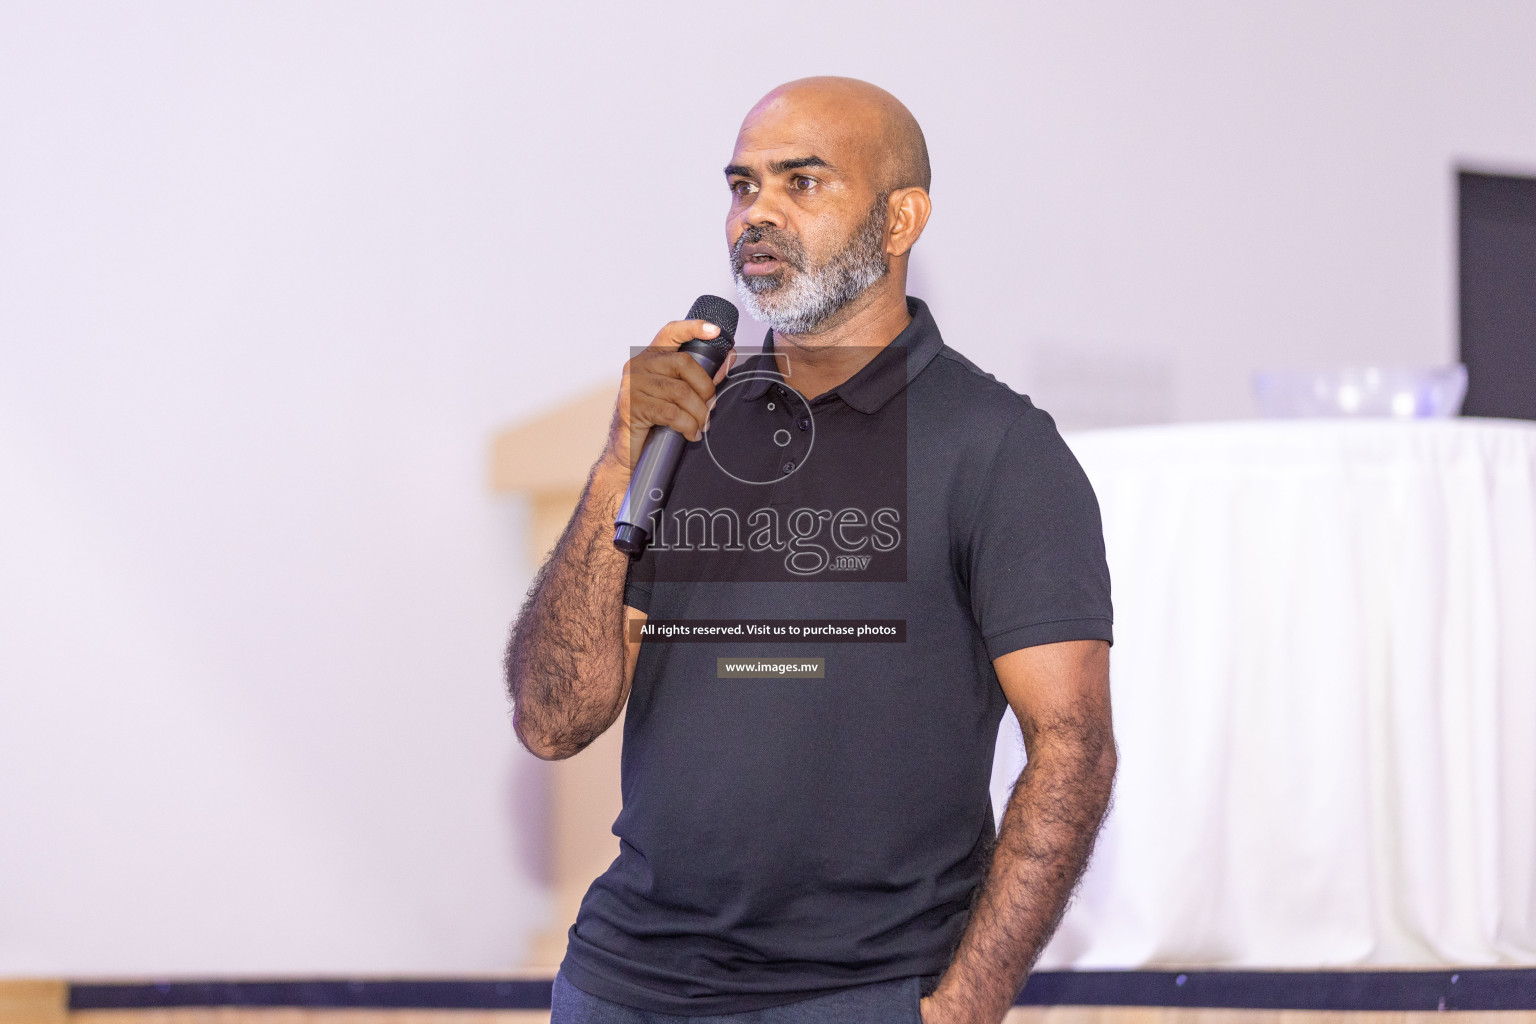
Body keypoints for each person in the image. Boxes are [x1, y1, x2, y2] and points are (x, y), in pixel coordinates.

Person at [504, 77, 1116, 1024]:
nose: (760, 213)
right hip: (624, 985)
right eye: (743, 186)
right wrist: (618, 456)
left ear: (902, 216)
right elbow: (555, 720)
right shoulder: (688, 428)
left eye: (802, 182)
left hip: (860, 996)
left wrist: (965, 1006)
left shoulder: (998, 447)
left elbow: (1073, 748)